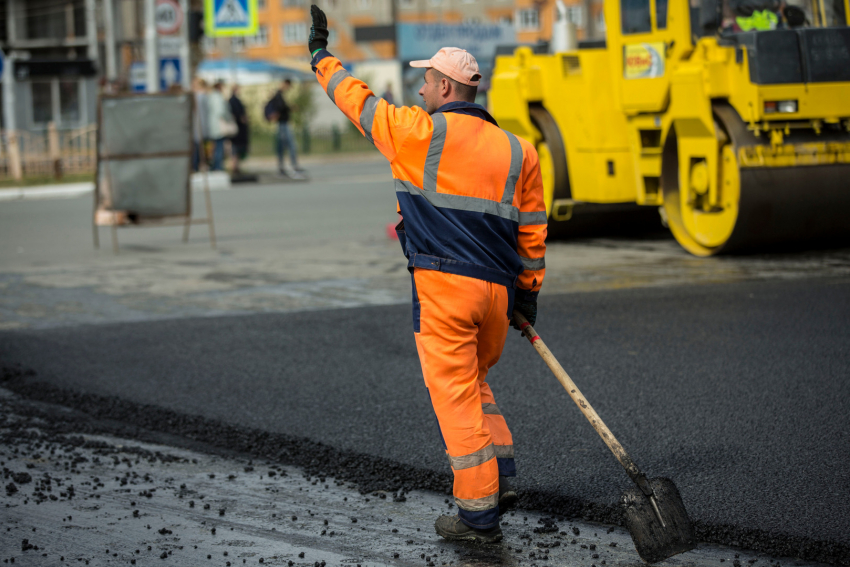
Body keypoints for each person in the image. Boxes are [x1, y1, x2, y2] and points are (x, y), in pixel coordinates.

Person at [307, 5, 547, 544]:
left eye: (424, 82)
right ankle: (501, 476)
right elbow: (532, 232)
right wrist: (527, 296)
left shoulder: (417, 133)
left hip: (444, 290)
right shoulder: (519, 151)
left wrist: (321, 57)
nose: (418, 91)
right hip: (497, 296)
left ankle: (477, 516)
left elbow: (357, 101)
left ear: (444, 85)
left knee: (455, 397)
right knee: (477, 382)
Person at [267, 79, 304, 178]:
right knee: (290, 145)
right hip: (282, 123)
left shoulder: (279, 95)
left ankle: (283, 166)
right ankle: (292, 166)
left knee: (282, 146)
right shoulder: (278, 95)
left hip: (282, 123)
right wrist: (290, 108)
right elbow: (280, 107)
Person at [206, 80, 232, 171]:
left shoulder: (210, 97)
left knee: (215, 147)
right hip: (219, 127)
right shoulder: (218, 97)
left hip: (213, 126)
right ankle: (218, 166)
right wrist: (229, 118)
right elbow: (220, 112)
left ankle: (215, 166)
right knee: (219, 148)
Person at [229, 84, 250, 176]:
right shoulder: (233, 101)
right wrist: (241, 118)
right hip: (237, 129)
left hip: (239, 128)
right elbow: (236, 114)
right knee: (235, 148)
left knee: (237, 148)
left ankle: (236, 166)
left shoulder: (235, 100)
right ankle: (234, 166)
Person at [192, 78, 209, 171]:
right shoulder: (200, 96)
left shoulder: (199, 96)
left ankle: (197, 165)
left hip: (198, 124)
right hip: (197, 124)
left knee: (198, 146)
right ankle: (196, 165)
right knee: (197, 147)